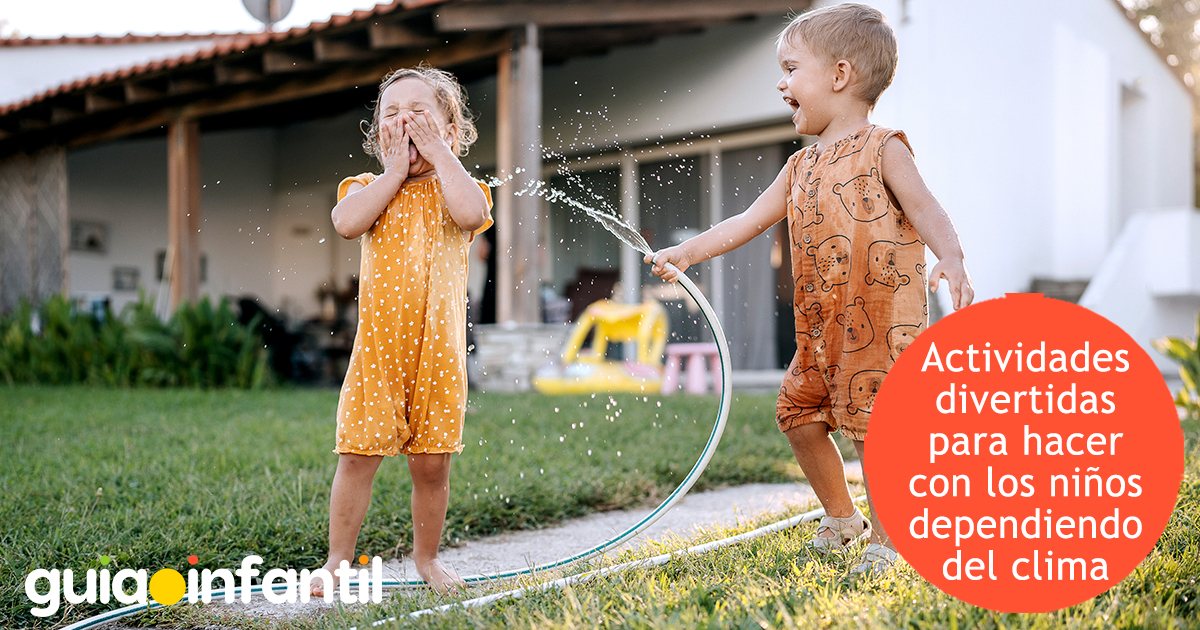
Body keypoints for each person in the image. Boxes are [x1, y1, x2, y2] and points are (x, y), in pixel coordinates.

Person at [646, 3, 973, 575]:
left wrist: (952, 257)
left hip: (880, 325)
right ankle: (844, 521)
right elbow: (747, 222)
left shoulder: (883, 148)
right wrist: (688, 253)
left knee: (877, 433)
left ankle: (892, 541)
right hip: (818, 329)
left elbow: (924, 206)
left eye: (792, 69)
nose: (781, 82)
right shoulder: (799, 167)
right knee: (798, 414)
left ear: (840, 76)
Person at [317, 65, 492, 595]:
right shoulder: (368, 187)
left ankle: (427, 558)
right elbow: (346, 223)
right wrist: (393, 173)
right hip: (379, 354)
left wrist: (441, 157)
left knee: (432, 465)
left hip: (438, 356)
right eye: (392, 115)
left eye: (419, 113)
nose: (405, 122)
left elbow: (472, 214)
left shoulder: (457, 187)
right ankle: (337, 561)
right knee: (357, 456)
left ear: (450, 131)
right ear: (378, 138)